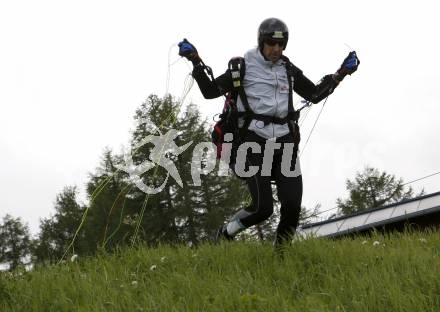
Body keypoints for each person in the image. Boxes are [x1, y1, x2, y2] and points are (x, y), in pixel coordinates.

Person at [178, 18, 359, 247]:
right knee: (263, 208)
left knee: (292, 205)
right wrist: (195, 60)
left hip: (284, 142)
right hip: (251, 143)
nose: (276, 49)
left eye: (281, 45)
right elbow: (210, 91)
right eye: (271, 44)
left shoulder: (288, 70)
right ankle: (225, 233)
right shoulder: (243, 68)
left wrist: (341, 73)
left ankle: (281, 256)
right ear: (262, 43)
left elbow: (313, 94)